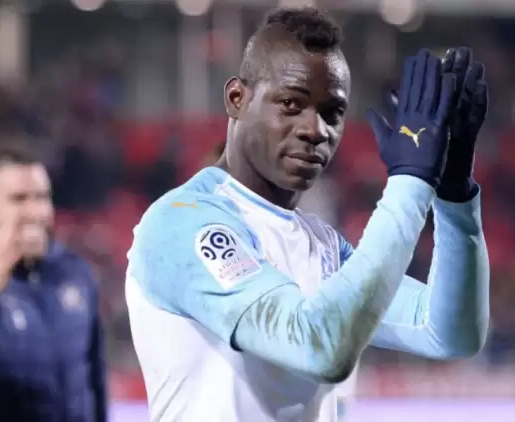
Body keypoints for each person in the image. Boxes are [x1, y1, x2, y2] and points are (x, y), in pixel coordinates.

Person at [126, 7, 489, 422]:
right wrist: (410, 182)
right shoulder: (180, 223)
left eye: (332, 112)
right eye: (291, 103)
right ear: (237, 98)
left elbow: (450, 332)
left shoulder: (323, 245)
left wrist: (453, 196)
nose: (315, 129)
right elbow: (318, 348)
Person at [0, 143, 107, 422]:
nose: (36, 211)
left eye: (42, 197)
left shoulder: (74, 271)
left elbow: (95, 382)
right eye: (18, 199)